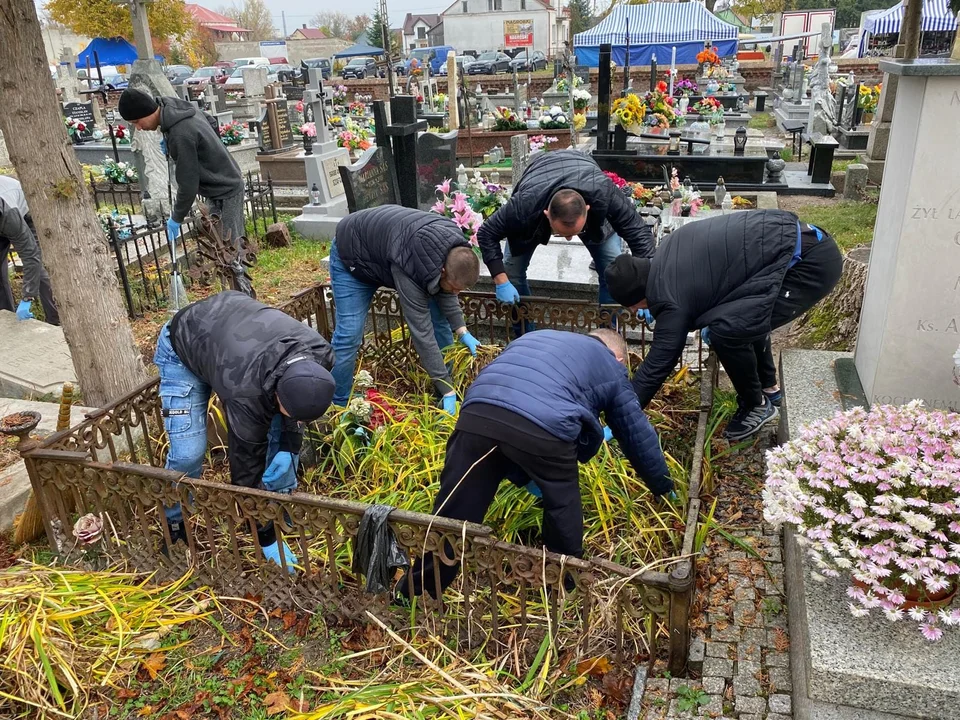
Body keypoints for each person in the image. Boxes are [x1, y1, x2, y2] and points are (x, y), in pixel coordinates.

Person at [398, 328, 674, 599]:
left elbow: (516, 392)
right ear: (619, 358)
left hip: (477, 414)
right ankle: (563, 587)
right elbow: (636, 434)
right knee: (562, 504)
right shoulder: (611, 366)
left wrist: (523, 473)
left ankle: (416, 593)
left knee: (453, 514)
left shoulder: (537, 336)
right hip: (545, 428)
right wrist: (662, 485)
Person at [604, 209, 843, 441]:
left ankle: (755, 406)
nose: (635, 312)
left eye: (632, 306)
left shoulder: (670, 299)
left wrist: (621, 417)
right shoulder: (668, 247)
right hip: (798, 240)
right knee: (743, 314)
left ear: (637, 298)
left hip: (808, 265)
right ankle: (769, 389)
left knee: (727, 331)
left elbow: (657, 366)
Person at [154, 291, 336, 569]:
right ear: (277, 394)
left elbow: (292, 417)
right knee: (188, 454)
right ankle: (174, 520)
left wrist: (289, 444)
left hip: (232, 335)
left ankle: (278, 499)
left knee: (282, 434)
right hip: (186, 343)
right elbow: (244, 468)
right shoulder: (246, 392)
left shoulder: (320, 354)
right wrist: (265, 537)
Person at [329, 206, 482, 413]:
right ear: (442, 270)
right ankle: (338, 404)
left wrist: (462, 330)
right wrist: (447, 389)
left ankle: (444, 391)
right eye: (455, 288)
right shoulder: (410, 263)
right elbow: (422, 333)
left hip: (386, 250)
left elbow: (447, 293)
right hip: (353, 255)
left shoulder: (453, 249)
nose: (456, 294)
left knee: (441, 322)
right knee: (350, 333)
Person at [475, 150, 656, 314]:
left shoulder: (603, 192)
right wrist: (501, 280)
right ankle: (523, 330)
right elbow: (486, 233)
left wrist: (644, 290)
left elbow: (639, 232)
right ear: (547, 215)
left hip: (584, 171)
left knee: (611, 266)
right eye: (561, 233)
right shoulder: (525, 204)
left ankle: (608, 330)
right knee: (512, 272)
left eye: (576, 231)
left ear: (587, 209)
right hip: (540, 176)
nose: (570, 239)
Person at [117, 88, 245, 246]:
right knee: (221, 244)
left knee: (231, 247)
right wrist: (210, 150)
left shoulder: (180, 133)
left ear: (147, 111)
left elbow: (188, 183)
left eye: (137, 121)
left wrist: (176, 218)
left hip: (226, 190)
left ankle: (238, 270)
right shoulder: (176, 108)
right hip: (221, 183)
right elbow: (210, 120)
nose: (139, 128)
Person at [0, 176, 59, 325]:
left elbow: (30, 255)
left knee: (38, 269)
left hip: (24, 212)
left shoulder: (9, 216)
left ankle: (56, 320)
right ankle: (6, 316)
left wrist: (27, 297)